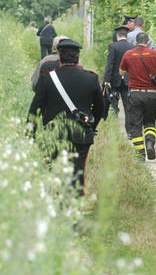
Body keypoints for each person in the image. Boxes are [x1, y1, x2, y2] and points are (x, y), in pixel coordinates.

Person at [28, 39, 104, 196]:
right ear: (78, 57)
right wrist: (91, 126)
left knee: (52, 171)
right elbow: (100, 109)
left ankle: (53, 203)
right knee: (77, 174)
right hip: (81, 136)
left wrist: (30, 134)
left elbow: (35, 109)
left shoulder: (48, 78)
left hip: (53, 133)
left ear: (59, 57)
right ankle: (73, 212)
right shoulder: (91, 79)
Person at [119, 32, 156, 160]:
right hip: (151, 94)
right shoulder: (154, 53)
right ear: (148, 42)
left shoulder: (128, 54)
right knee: (150, 121)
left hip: (135, 94)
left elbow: (121, 72)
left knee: (136, 125)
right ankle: (149, 142)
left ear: (135, 42)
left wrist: (133, 69)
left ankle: (140, 153)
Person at [104, 27, 135, 134]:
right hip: (128, 80)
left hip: (114, 80)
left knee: (113, 105)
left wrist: (106, 79)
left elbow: (110, 63)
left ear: (117, 36)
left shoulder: (113, 46)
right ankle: (130, 131)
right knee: (128, 106)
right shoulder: (132, 47)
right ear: (127, 37)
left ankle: (113, 130)